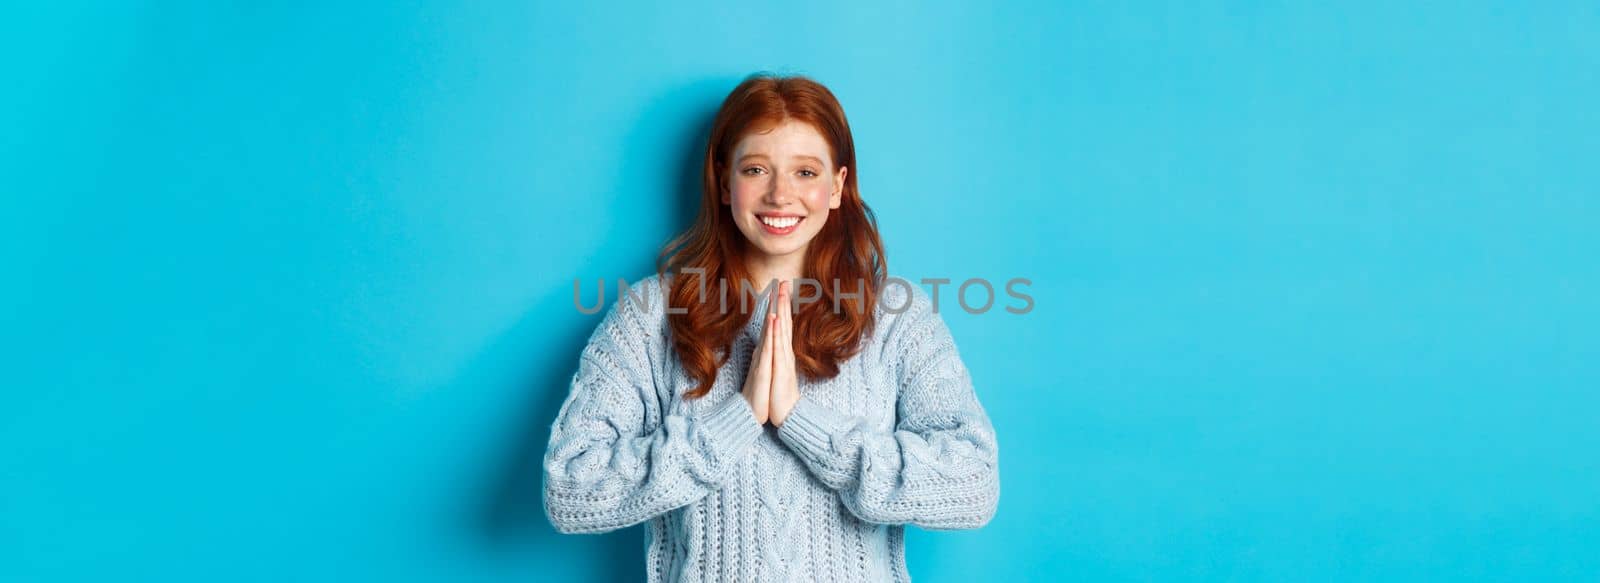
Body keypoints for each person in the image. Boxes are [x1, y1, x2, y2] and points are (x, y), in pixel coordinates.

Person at [543, 72, 999, 582]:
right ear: (722, 182)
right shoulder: (651, 314)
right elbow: (569, 489)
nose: (781, 195)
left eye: (805, 172)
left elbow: (974, 485)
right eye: (757, 168)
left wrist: (802, 422)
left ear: (837, 187)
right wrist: (736, 419)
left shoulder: (897, 317)